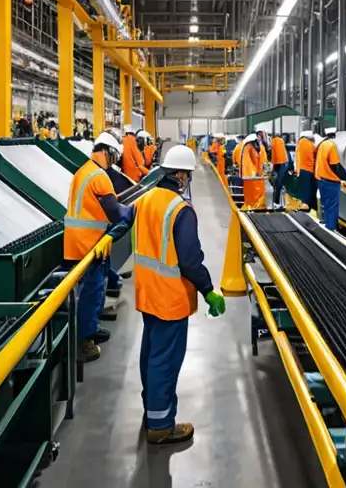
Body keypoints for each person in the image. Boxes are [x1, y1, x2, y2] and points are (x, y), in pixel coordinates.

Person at [131, 145, 226, 445]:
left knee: (150, 355)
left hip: (147, 293)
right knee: (165, 360)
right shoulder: (180, 211)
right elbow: (190, 260)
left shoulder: (145, 200)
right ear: (181, 177)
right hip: (169, 299)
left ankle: (152, 412)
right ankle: (160, 426)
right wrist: (209, 291)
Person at [64, 131, 133, 363]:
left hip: (76, 241)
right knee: (91, 294)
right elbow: (114, 212)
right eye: (113, 157)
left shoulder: (82, 171)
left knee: (95, 289)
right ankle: (83, 344)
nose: (113, 163)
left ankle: (90, 330)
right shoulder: (99, 176)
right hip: (88, 244)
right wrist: (133, 211)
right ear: (105, 152)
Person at [314, 127, 346, 230]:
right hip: (330, 181)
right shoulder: (332, 145)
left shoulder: (322, 145)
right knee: (333, 207)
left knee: (326, 205)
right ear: (334, 135)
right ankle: (330, 230)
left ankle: (327, 227)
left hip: (321, 179)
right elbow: (335, 165)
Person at [239, 133, 265, 209]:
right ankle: (252, 206)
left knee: (257, 192)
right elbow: (247, 163)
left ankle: (256, 205)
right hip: (250, 176)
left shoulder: (256, 148)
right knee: (251, 193)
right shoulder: (248, 147)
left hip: (255, 176)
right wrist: (254, 172)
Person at [269, 133, 292, 208]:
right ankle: (277, 202)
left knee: (278, 184)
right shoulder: (280, 145)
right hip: (281, 166)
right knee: (278, 184)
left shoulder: (279, 145)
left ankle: (277, 202)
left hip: (281, 166)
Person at [296, 130, 317, 211]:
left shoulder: (301, 142)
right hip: (312, 169)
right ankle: (312, 206)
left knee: (305, 188)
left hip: (303, 169)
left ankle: (305, 205)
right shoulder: (312, 144)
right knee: (311, 188)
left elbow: (298, 157)